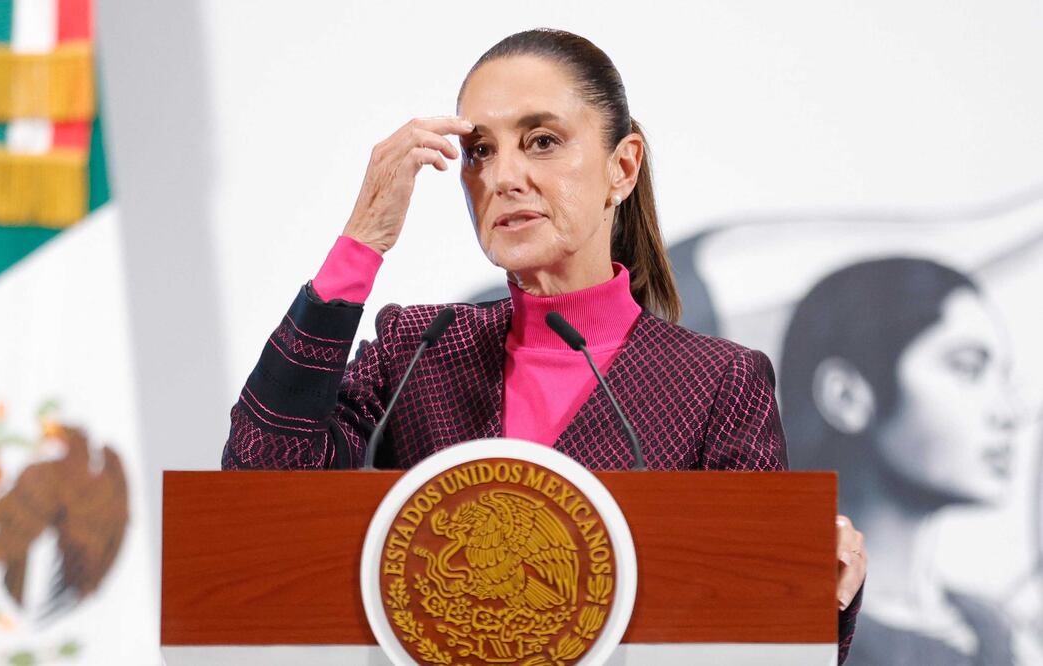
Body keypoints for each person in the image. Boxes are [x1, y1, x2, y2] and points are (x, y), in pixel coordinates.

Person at [221, 28, 864, 662]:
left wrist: (820, 595)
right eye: (479, 152)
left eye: (542, 142)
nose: (503, 177)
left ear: (623, 167)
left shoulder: (717, 382)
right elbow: (258, 484)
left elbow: (753, 633)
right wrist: (362, 242)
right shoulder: (417, 348)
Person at [781, 258, 1022, 665]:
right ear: (846, 396)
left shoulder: (990, 627)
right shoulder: (787, 632)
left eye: (1004, 378)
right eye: (967, 368)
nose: (1007, 412)